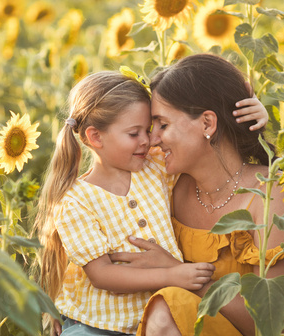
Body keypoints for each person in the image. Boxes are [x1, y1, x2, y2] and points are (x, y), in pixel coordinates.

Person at [110, 54, 284, 336]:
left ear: (207, 124)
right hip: (212, 327)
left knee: (170, 305)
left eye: (163, 125)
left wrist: (177, 273)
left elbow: (267, 324)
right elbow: (98, 186)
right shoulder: (172, 185)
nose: (152, 139)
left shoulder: (272, 194)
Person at [34, 68, 269, 336]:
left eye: (148, 130)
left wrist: (250, 112)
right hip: (97, 325)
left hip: (157, 319)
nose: (148, 140)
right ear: (95, 137)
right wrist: (172, 275)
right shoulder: (77, 200)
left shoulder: (153, 167)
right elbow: (102, 275)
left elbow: (192, 96)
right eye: (134, 134)